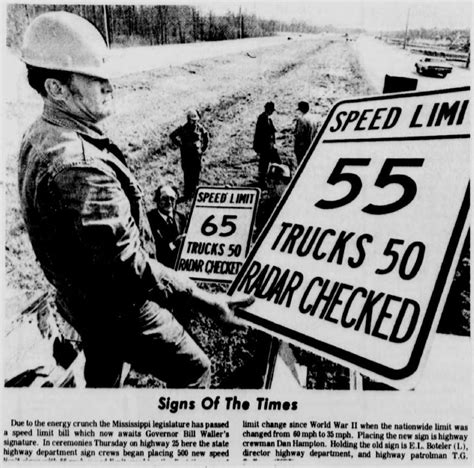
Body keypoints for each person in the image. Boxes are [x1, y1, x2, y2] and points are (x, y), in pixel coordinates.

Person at [17, 11, 252, 388]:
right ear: (56, 88)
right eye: (95, 79)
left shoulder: (42, 133)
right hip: (117, 306)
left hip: (80, 298)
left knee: (104, 369)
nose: (109, 86)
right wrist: (204, 299)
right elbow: (129, 267)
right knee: (196, 371)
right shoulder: (79, 165)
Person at [170, 110, 209, 200]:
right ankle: (188, 193)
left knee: (196, 173)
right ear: (188, 119)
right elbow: (172, 135)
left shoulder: (199, 128)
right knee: (187, 174)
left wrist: (203, 148)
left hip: (196, 155)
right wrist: (180, 144)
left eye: (196, 120)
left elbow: (206, 136)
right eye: (192, 120)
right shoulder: (183, 128)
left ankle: (195, 192)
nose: (194, 122)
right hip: (186, 156)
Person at [147, 184, 186, 268]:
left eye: (172, 199)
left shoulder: (181, 218)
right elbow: (152, 250)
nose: (169, 202)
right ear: (157, 200)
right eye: (164, 199)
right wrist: (174, 245)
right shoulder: (149, 220)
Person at [253, 101, 281, 187]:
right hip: (265, 146)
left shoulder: (267, 118)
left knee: (273, 163)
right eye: (272, 110)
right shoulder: (262, 118)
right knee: (265, 164)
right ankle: (263, 182)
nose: (272, 112)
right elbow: (261, 134)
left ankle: (270, 180)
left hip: (269, 146)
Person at [294, 101, 319, 165]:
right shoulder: (314, 119)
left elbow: (299, 134)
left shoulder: (302, 119)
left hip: (303, 147)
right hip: (312, 145)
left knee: (301, 165)